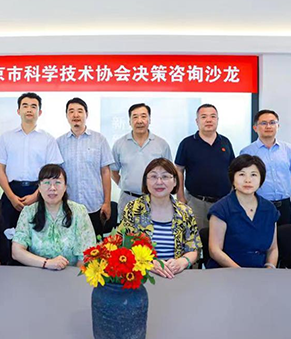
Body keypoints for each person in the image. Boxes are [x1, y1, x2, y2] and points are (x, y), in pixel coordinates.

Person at [0, 93, 63, 229]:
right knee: (8, 234)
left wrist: (36, 196)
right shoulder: (6, 137)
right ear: (18, 111)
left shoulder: (48, 139)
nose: (29, 109)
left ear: (39, 112)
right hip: (11, 192)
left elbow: (52, 173)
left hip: (39, 191)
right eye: (25, 106)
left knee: (39, 233)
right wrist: (11, 196)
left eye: (33, 106)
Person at [119, 158, 201, 279]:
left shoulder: (185, 212)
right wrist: (148, 263)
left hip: (176, 275)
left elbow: (194, 249)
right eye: (153, 177)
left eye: (165, 177)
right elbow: (122, 246)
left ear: (175, 181)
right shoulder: (133, 209)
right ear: (145, 181)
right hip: (141, 275)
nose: (159, 182)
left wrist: (182, 262)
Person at [12, 164, 96, 270]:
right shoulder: (29, 212)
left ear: (65, 187)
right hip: (37, 272)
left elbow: (87, 255)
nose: (52, 188)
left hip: (70, 274)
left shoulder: (79, 211)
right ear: (39, 187)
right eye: (47, 183)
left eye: (58, 182)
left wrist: (75, 275)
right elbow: (16, 252)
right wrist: (47, 263)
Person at [207, 154, 279, 268]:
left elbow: (273, 248)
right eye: (241, 174)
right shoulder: (221, 209)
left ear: (261, 179)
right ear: (233, 179)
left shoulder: (269, 209)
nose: (248, 180)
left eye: (253, 175)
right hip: (226, 271)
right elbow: (215, 250)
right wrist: (240, 272)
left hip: (260, 271)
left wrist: (270, 268)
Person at [57, 97, 115, 238]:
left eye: (80, 111)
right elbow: (56, 176)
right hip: (68, 206)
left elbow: (105, 172)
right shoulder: (59, 142)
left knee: (95, 246)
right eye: (71, 111)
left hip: (94, 205)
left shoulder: (99, 140)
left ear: (86, 114)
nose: (75, 115)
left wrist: (107, 202)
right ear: (67, 116)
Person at [175, 103, 235, 231]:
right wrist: (180, 198)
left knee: (223, 237)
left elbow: (233, 169)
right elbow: (179, 170)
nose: (208, 120)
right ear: (197, 121)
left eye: (213, 116)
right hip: (196, 202)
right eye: (204, 117)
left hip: (224, 202)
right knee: (197, 238)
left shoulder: (225, 142)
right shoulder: (187, 143)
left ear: (217, 120)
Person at [240, 109, 291, 226]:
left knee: (285, 235)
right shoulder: (247, 152)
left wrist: (282, 188)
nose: (268, 126)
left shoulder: (288, 149)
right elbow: (243, 180)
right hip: (259, 205)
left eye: (272, 122)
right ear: (255, 128)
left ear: (278, 126)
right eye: (263, 123)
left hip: (284, 205)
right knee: (261, 236)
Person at [112, 103, 172, 212]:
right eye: (135, 117)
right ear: (129, 121)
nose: (139, 121)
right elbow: (113, 171)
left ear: (149, 119)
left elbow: (168, 173)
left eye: (143, 116)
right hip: (127, 200)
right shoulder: (119, 144)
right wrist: (124, 185)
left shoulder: (162, 144)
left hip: (155, 200)